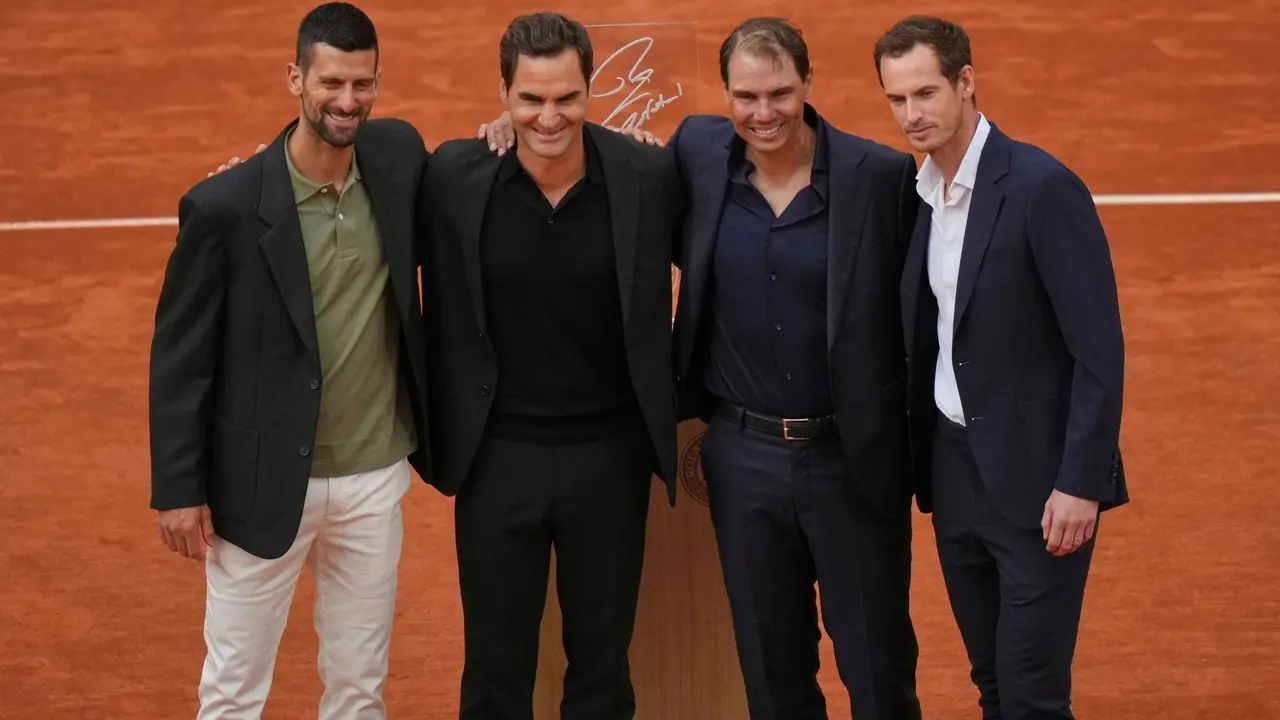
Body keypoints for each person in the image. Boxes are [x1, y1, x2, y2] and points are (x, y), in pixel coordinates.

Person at [480, 16, 922, 720]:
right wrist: (517, 122)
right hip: (743, 460)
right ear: (724, 95)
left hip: (850, 459)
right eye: (745, 96)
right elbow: (587, 147)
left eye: (780, 93)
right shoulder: (697, 153)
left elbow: (925, 312)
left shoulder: (883, 178)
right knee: (771, 672)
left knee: (878, 671)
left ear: (809, 83)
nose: (764, 113)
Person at [148, 3, 430, 717]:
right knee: (234, 689)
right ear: (295, 79)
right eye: (331, 82)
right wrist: (179, 487)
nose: (348, 101)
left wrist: (506, 129)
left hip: (372, 476)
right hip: (261, 480)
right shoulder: (225, 206)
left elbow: (475, 177)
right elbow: (182, 356)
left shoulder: (398, 158)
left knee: (360, 686)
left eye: (362, 84)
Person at [423, 13, 685, 719]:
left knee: (602, 669)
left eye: (567, 98)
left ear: (591, 90)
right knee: (494, 670)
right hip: (496, 459)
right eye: (530, 99)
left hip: (609, 459)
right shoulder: (454, 176)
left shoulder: (647, 173)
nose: (549, 117)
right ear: (503, 95)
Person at [875, 15, 1127, 719]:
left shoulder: (1042, 188)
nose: (911, 114)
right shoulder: (919, 194)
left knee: (1031, 695)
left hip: (1039, 483)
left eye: (925, 93)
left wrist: (1080, 483)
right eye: (896, 99)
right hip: (954, 472)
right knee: (992, 683)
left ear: (966, 82)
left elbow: (1098, 351)